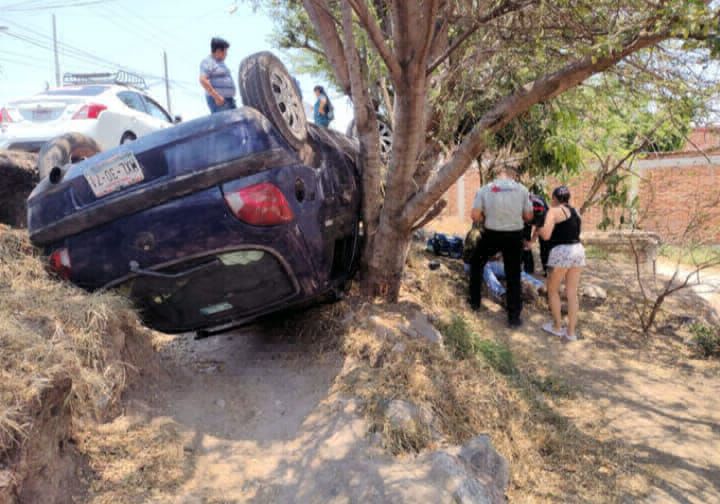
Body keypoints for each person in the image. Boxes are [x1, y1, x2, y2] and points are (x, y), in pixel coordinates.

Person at [469, 165, 534, 327]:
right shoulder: (522, 190)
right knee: (513, 274)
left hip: (491, 234)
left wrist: (488, 215)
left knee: (476, 264)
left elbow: (475, 215)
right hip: (514, 235)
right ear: (514, 176)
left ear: (498, 175)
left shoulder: (485, 189)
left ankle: (475, 303)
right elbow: (528, 216)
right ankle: (513, 318)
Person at [537, 186, 585, 341]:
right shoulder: (576, 211)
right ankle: (571, 332)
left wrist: (538, 224)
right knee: (572, 293)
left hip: (562, 252)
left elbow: (545, 235)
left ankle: (557, 327)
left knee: (552, 290)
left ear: (555, 198)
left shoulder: (554, 211)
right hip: (578, 250)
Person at [199, 37, 237, 114]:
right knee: (227, 125)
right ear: (218, 51)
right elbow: (203, 80)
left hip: (229, 100)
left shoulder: (220, 62)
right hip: (220, 102)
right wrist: (217, 97)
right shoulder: (208, 62)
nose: (226, 55)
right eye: (225, 52)